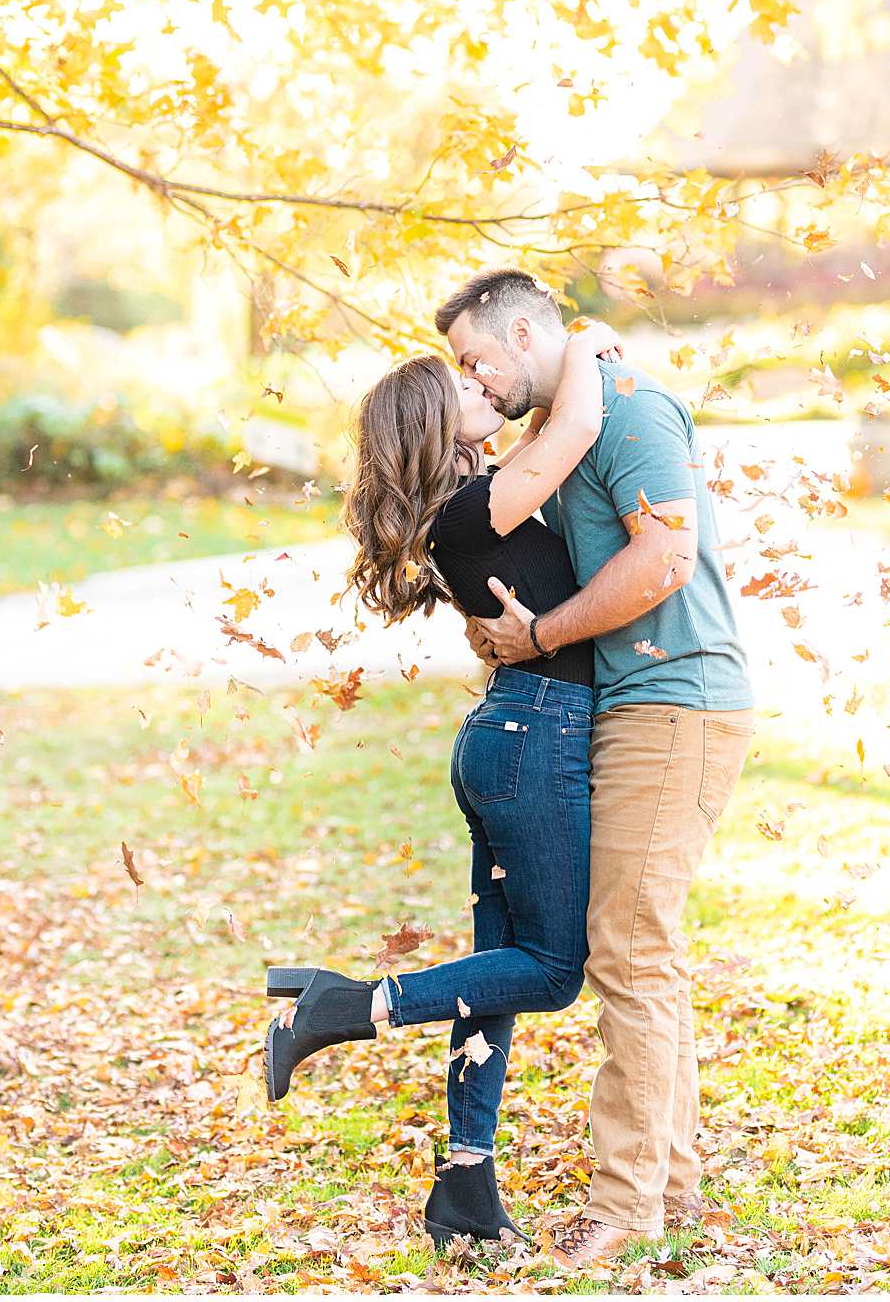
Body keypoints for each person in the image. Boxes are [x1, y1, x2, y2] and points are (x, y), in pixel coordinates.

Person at [261, 320, 622, 1247]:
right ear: (438, 423)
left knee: (493, 982)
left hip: (511, 734)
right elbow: (574, 428)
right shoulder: (473, 511)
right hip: (532, 737)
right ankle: (347, 1006)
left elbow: (553, 439)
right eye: (462, 383)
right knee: (550, 969)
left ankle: (465, 1185)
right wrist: (580, 338)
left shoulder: (466, 504)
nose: (481, 385)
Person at [435, 269, 756, 1272]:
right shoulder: (566, 419)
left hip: (677, 696)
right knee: (640, 946)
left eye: (474, 355)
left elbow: (664, 557)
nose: (470, 376)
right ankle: (671, 1182)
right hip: (627, 701)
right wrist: (587, 347)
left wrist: (543, 635)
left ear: (526, 330)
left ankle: (623, 1209)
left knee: (625, 948)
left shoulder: (632, 411)